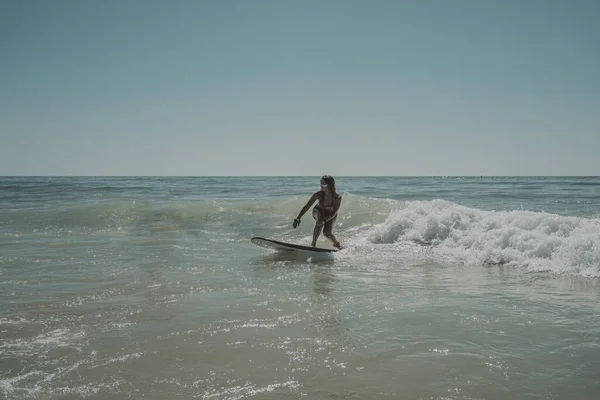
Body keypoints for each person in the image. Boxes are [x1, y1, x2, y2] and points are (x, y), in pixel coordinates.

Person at [293, 175, 342, 249]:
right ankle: (313, 245)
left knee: (327, 233)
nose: (321, 185)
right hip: (318, 211)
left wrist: (325, 220)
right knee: (320, 221)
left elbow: (334, 213)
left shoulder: (337, 197)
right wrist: (298, 218)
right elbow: (307, 206)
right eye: (320, 183)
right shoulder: (318, 194)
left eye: (323, 184)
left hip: (331, 215)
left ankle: (336, 244)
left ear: (330, 185)